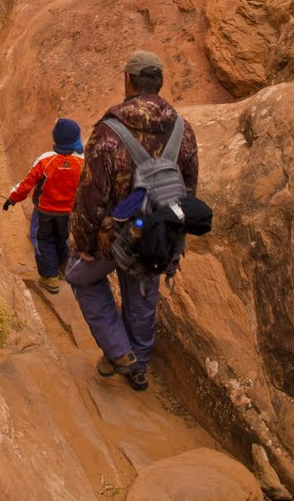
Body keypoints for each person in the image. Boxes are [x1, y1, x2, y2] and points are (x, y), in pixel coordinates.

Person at [66, 51, 198, 390]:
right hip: (158, 234)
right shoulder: (183, 130)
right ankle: (138, 368)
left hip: (113, 236)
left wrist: (83, 244)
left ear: (128, 81)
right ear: (160, 83)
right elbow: (189, 186)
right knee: (142, 296)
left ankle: (118, 350)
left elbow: (91, 195)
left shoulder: (109, 132)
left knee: (81, 278)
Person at [3, 118, 84, 294]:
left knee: (42, 240)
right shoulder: (81, 162)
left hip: (44, 211)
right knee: (62, 238)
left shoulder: (46, 160)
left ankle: (49, 277)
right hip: (67, 212)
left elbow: (27, 183)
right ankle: (63, 269)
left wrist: (13, 198)